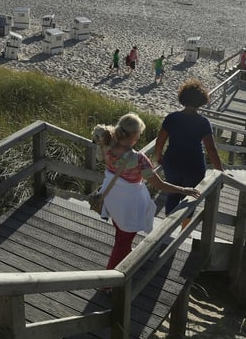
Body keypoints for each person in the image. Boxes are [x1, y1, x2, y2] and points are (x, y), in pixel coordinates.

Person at [93, 113, 199, 270]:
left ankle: (125, 258)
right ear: (135, 135)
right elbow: (160, 184)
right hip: (129, 206)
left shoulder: (108, 146)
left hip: (112, 200)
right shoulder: (138, 159)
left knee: (121, 236)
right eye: (139, 133)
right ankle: (107, 283)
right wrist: (184, 189)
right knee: (123, 241)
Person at [153, 79, 224, 222]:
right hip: (194, 165)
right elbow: (211, 149)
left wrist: (159, 156)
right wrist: (219, 170)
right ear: (201, 100)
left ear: (183, 97)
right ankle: (184, 230)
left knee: (172, 194)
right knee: (190, 197)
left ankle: (167, 228)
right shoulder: (203, 122)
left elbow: (159, 141)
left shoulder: (172, 118)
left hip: (172, 161)